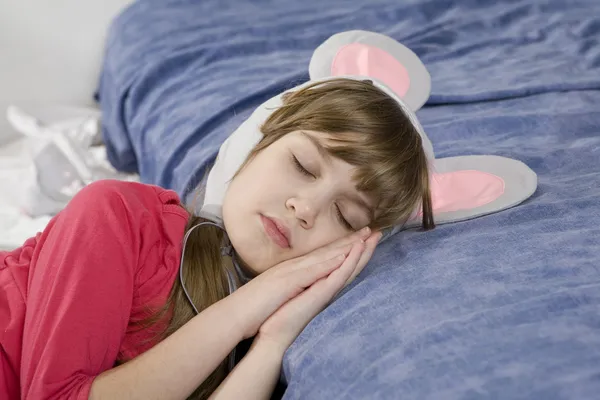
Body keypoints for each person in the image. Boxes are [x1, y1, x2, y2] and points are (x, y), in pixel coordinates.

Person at [0, 78, 434, 400]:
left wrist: (272, 343)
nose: (305, 208)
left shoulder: (278, 327)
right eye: (302, 165)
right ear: (255, 143)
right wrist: (249, 304)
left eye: (344, 214)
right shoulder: (120, 213)